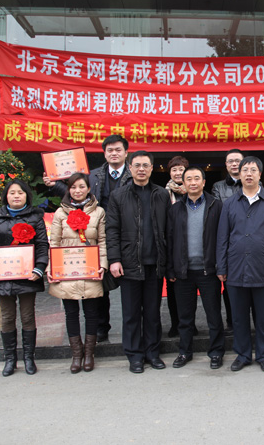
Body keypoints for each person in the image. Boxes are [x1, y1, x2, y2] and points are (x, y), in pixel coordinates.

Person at [43, 134, 131, 344]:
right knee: (100, 283)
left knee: (130, 285)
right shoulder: (93, 176)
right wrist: (54, 185)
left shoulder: (134, 173)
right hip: (97, 236)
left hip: (127, 236)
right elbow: (77, 193)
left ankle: (132, 329)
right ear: (104, 153)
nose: (114, 153)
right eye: (110, 150)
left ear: (126, 153)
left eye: (118, 150)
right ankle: (101, 327)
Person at [217, 156, 264, 372]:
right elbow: (222, 238)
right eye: (245, 170)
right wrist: (221, 267)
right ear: (239, 174)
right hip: (235, 269)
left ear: (260, 174)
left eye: (253, 170)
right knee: (238, 318)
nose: (248, 174)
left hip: (263, 268)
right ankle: (243, 354)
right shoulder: (229, 204)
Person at [0, 179, 49, 377]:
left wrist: (39, 268)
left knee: (27, 317)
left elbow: (42, 246)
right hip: (2, 277)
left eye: (20, 192)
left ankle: (29, 358)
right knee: (7, 317)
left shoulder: (35, 218)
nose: (16, 196)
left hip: (27, 276)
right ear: (5, 196)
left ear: (27, 196)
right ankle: (10, 359)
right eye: (12, 193)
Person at [106, 150, 169, 374]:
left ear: (152, 168)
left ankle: (152, 353)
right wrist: (114, 259)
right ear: (130, 168)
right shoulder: (118, 196)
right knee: (131, 313)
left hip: (155, 263)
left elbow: (168, 229)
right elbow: (111, 230)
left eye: (145, 165)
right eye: (137, 165)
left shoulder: (162, 194)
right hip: (129, 262)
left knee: (152, 312)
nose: (141, 169)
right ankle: (134, 355)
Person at [47, 173, 108, 374]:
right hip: (66, 271)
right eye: (73, 187)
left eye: (81, 186)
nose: (77, 190)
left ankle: (89, 354)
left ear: (89, 189)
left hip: (90, 269)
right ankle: (76, 355)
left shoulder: (98, 212)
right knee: (71, 313)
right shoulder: (60, 213)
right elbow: (54, 242)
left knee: (92, 313)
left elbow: (102, 241)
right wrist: (51, 268)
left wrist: (102, 265)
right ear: (68, 190)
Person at [166, 166, 225, 369]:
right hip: (183, 272)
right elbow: (169, 240)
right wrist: (171, 268)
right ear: (183, 183)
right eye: (188, 179)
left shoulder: (216, 206)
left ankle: (216, 352)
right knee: (185, 317)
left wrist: (221, 267)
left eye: (196, 178)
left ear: (204, 182)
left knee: (213, 315)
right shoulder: (175, 209)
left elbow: (223, 238)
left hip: (209, 271)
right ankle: (184, 352)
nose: (192, 182)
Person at [212, 148, 244, 331]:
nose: (234, 164)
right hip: (230, 243)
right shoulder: (218, 187)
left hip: (251, 241)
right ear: (226, 165)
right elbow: (218, 214)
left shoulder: (255, 183)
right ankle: (232, 321)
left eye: (237, 160)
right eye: (231, 161)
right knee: (230, 285)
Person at [163, 155, 189, 338]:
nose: (178, 172)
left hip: (191, 245)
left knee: (189, 289)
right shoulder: (163, 194)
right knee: (172, 288)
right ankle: (175, 324)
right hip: (172, 245)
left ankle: (190, 323)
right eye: (174, 169)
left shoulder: (194, 190)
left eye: (181, 169)